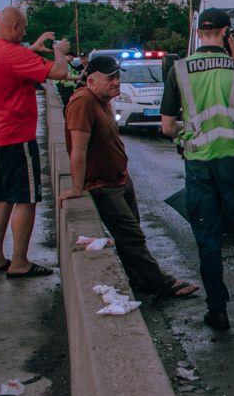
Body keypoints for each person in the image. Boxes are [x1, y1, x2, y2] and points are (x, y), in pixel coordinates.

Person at [160, 8, 234, 332]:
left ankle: (218, 311)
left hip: (199, 165)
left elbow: (168, 127)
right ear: (227, 32)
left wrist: (192, 131)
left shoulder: (179, 70)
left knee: (208, 241)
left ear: (199, 33)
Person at [58, 56, 199, 300]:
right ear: (91, 80)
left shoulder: (103, 100)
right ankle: (160, 283)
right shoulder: (83, 102)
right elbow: (78, 149)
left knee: (131, 234)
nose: (116, 82)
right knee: (132, 236)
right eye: (110, 78)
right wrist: (77, 187)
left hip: (119, 179)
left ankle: (139, 280)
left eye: (118, 76)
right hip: (103, 185)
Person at [0, 6, 72, 278]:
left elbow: (10, 62)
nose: (26, 32)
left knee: (1, 199)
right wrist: (60, 50)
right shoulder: (12, 54)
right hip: (15, 137)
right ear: (15, 26)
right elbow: (60, 73)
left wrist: (34, 48)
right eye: (24, 28)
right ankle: (19, 262)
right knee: (26, 199)